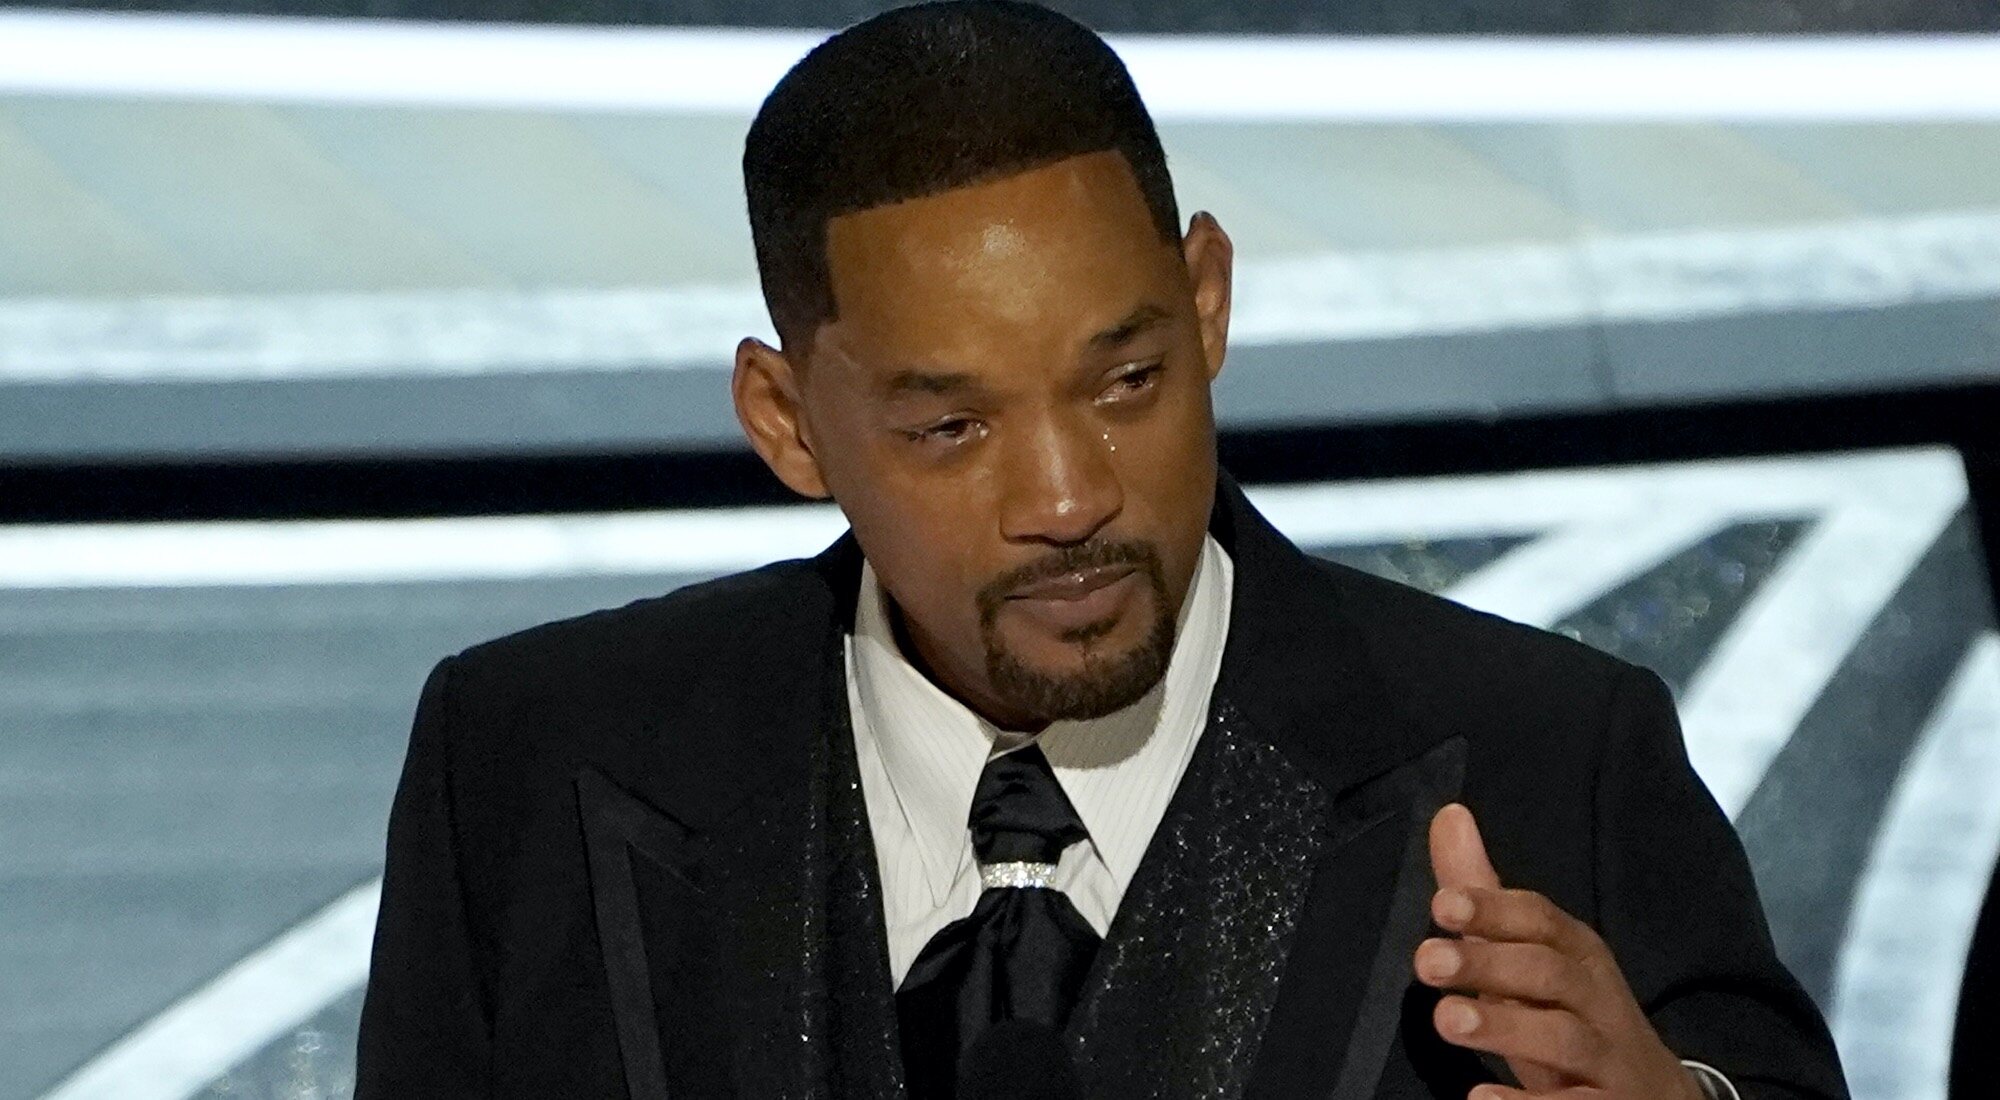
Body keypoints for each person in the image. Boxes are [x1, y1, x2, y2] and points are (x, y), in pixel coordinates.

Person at [354, 3, 1849, 1098]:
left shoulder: (1552, 760)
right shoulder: (529, 764)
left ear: (1207, 303)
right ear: (790, 424)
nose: (1069, 498)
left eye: (1127, 382)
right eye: (953, 428)